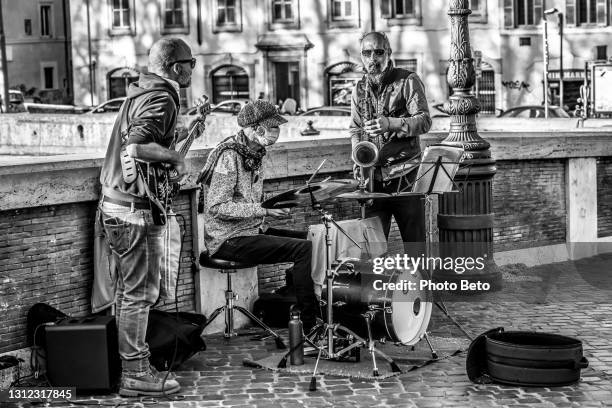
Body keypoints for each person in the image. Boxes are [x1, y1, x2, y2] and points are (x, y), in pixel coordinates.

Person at [98, 38, 207, 397]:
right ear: (177, 67)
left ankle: (130, 365)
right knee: (139, 294)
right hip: (133, 212)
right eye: (191, 62)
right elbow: (138, 145)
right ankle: (136, 373)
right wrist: (177, 160)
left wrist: (178, 141)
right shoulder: (161, 96)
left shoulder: (142, 91)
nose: (193, 68)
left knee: (129, 292)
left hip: (117, 205)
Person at [198, 99, 319, 332]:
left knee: (310, 239)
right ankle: (310, 323)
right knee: (302, 250)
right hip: (227, 239)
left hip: (251, 231)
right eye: (273, 126)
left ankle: (302, 306)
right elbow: (217, 207)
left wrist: (274, 208)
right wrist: (263, 210)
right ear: (255, 128)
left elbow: (249, 201)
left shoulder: (255, 154)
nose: (277, 131)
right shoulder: (229, 156)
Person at [349, 31, 432, 248]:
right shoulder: (359, 89)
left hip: (406, 178)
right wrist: (358, 159)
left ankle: (422, 281)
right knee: (372, 251)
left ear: (389, 53)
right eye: (367, 53)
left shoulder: (408, 80)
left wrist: (391, 123)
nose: (372, 58)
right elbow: (356, 129)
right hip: (372, 180)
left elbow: (424, 121)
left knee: (417, 248)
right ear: (361, 55)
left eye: (378, 52)